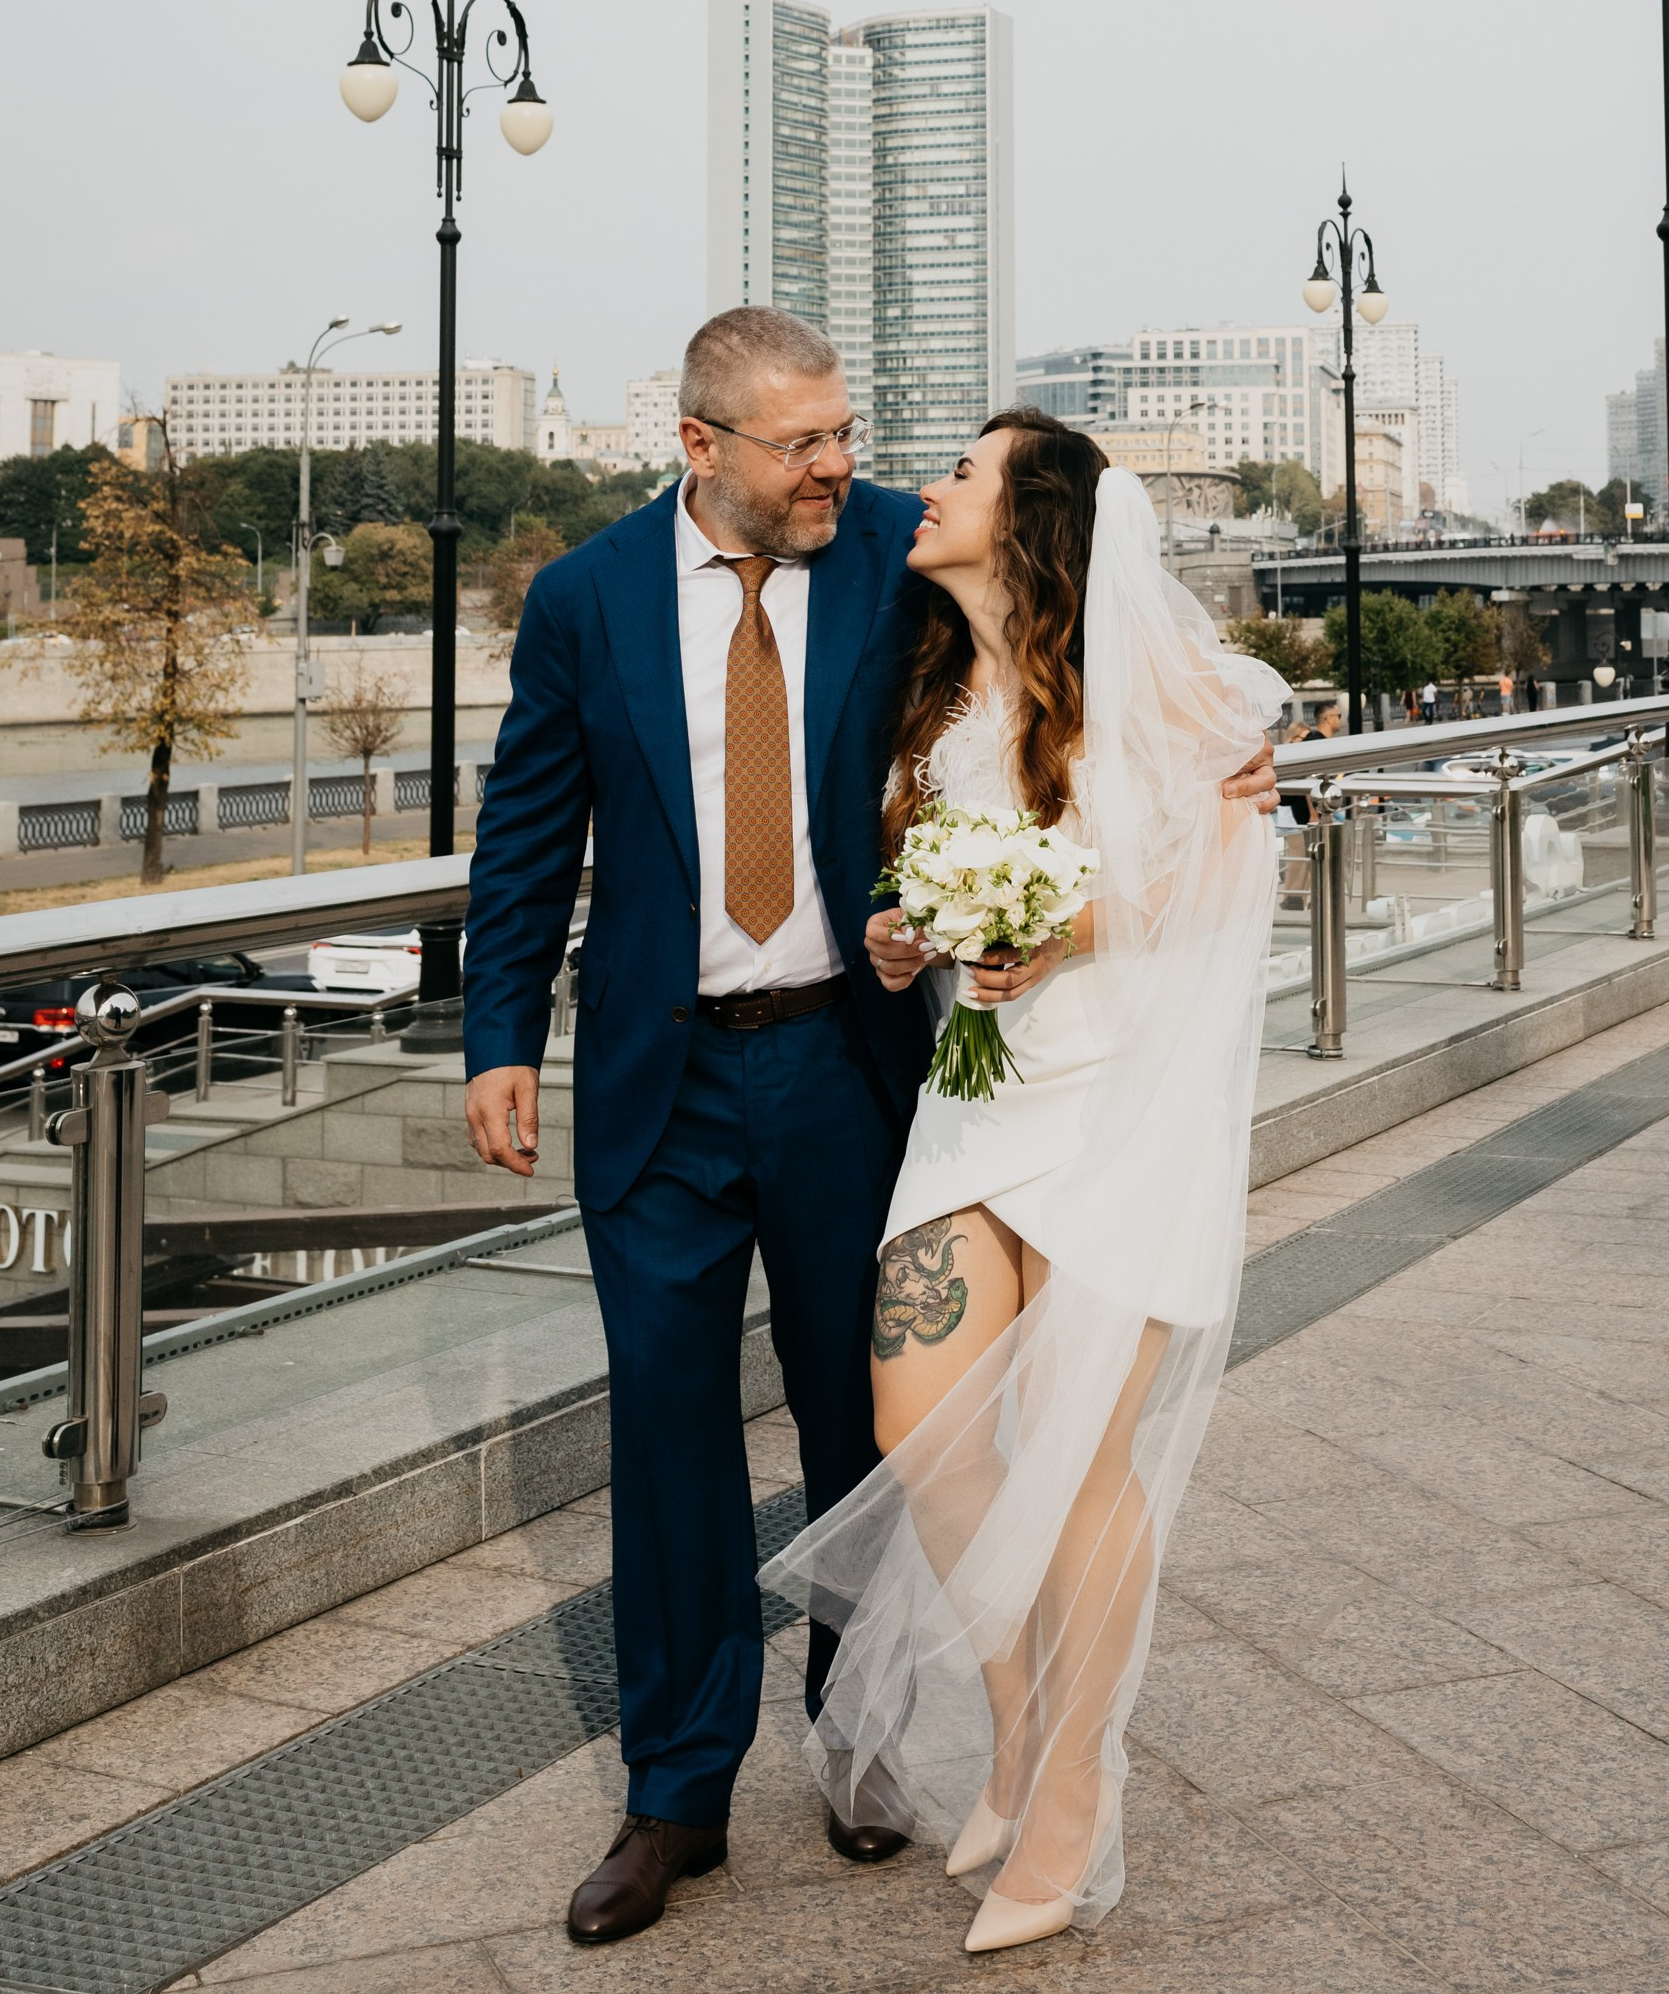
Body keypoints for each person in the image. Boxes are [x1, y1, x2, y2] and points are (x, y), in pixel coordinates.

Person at [459, 322, 1278, 1949]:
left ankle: (864, 1744)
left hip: (854, 1068)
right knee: (668, 1432)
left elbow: (1080, 636)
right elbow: (527, 833)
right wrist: (497, 1043)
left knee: (880, 1418)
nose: (843, 466)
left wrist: (1239, 769)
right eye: (802, 444)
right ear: (701, 446)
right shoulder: (582, 600)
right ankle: (673, 1796)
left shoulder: (896, 554)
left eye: (848, 435)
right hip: (660, 1081)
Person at [763, 412, 1286, 1954]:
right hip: (975, 1107)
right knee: (917, 1429)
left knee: (1082, 1467)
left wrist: (1068, 934)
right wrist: (899, 936)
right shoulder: (934, 700)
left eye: (965, 474)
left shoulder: (1177, 690)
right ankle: (1012, 1725)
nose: (930, 489)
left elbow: (1239, 866)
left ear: (1034, 511)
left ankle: (1068, 1800)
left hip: (1121, 1105)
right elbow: (905, 892)